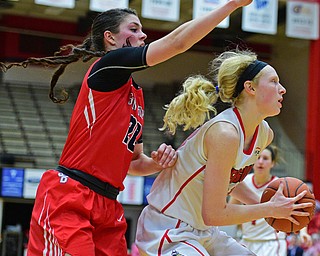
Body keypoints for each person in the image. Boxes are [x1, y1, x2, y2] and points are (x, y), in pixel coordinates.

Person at [0, 1, 254, 255]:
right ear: (110, 38)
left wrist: (158, 163)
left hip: (108, 203)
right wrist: (231, 5)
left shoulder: (136, 95)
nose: (142, 35)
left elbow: (133, 163)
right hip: (71, 194)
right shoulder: (107, 67)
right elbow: (177, 43)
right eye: (133, 29)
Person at [135, 49, 313, 256]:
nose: (282, 89)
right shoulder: (225, 133)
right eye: (274, 81)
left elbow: (228, 182)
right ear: (250, 88)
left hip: (205, 231)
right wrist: (270, 209)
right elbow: (214, 213)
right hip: (169, 227)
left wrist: (269, 204)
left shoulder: (265, 133)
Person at [229, 145, 312, 256]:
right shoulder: (243, 183)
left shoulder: (281, 185)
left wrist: (303, 232)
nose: (260, 162)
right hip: (247, 241)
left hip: (272, 243)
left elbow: (297, 209)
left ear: (272, 163)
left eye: (265, 158)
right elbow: (231, 211)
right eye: (258, 158)